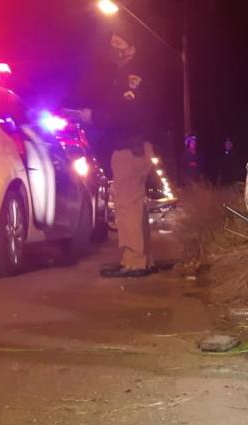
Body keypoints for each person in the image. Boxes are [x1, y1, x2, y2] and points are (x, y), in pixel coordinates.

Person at [75, 30, 156, 278]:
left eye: (119, 43)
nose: (113, 48)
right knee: (134, 204)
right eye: (111, 43)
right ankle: (142, 258)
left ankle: (134, 260)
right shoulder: (127, 74)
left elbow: (127, 114)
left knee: (126, 204)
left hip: (129, 148)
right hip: (134, 147)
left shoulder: (132, 76)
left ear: (132, 48)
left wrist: (93, 117)